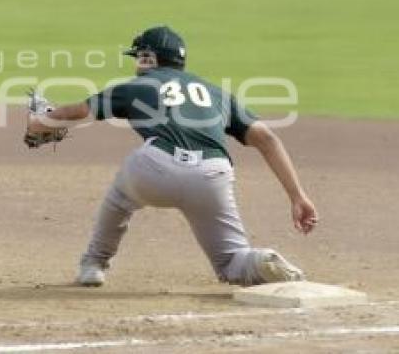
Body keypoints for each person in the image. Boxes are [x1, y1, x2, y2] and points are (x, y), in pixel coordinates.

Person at [25, 25, 318, 287]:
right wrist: (297, 196)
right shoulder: (216, 93)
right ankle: (260, 259)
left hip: (156, 168)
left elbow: (79, 111)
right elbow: (267, 139)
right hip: (212, 175)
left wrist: (40, 122)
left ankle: (93, 265)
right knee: (231, 263)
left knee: (120, 197)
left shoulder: (136, 86)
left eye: (138, 56)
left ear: (149, 57)